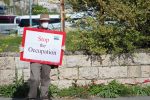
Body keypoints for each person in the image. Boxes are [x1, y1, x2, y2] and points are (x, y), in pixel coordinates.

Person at [20, 14, 65, 100]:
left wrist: (61, 48)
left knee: (45, 78)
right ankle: (32, 97)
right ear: (40, 22)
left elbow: (55, 47)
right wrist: (23, 48)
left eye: (47, 21)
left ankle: (44, 96)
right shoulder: (33, 33)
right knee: (35, 79)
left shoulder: (52, 33)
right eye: (44, 21)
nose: (45, 23)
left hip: (47, 59)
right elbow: (28, 43)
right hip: (35, 59)